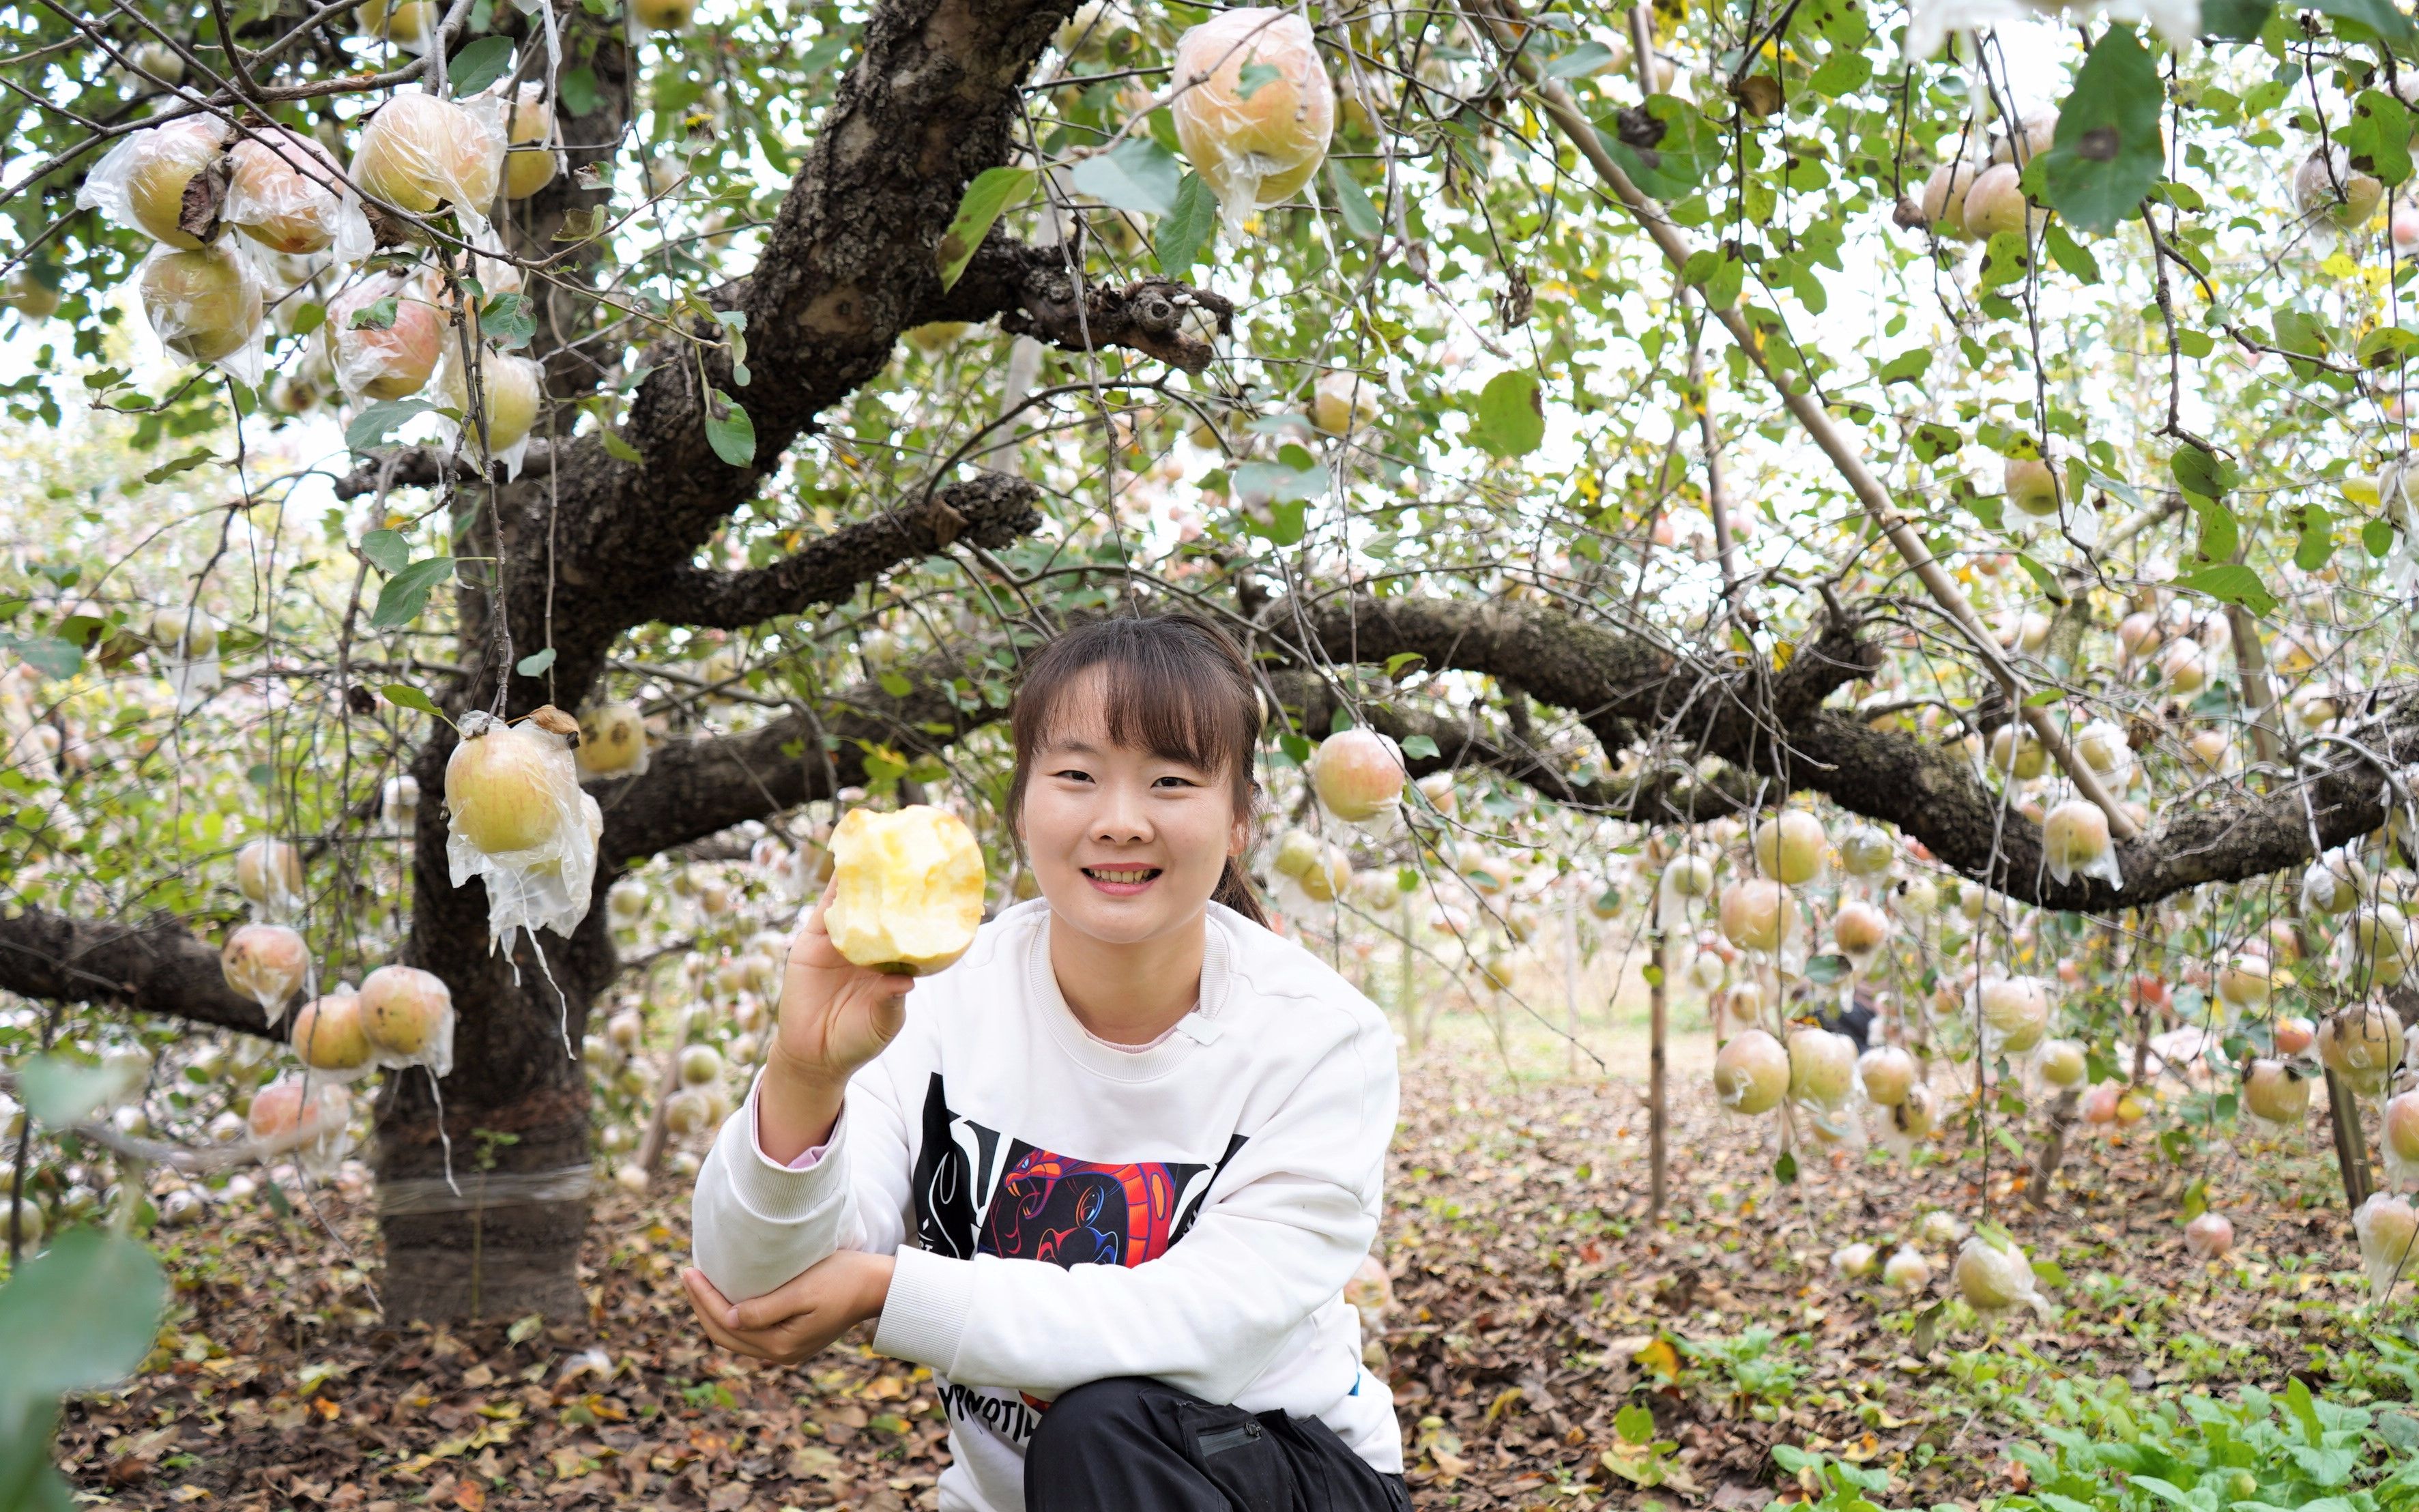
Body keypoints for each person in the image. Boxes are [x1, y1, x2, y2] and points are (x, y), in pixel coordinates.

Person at [681, 613, 1409, 1512]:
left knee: (1103, 1423)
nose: (1119, 822)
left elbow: (1201, 1333)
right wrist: (804, 1072)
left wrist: (887, 1287)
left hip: (1281, 1476)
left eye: (1171, 782)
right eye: (1074, 776)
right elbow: (757, 1291)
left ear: (1238, 823)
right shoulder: (935, 999)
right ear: (1021, 802)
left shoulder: (1321, 1041)